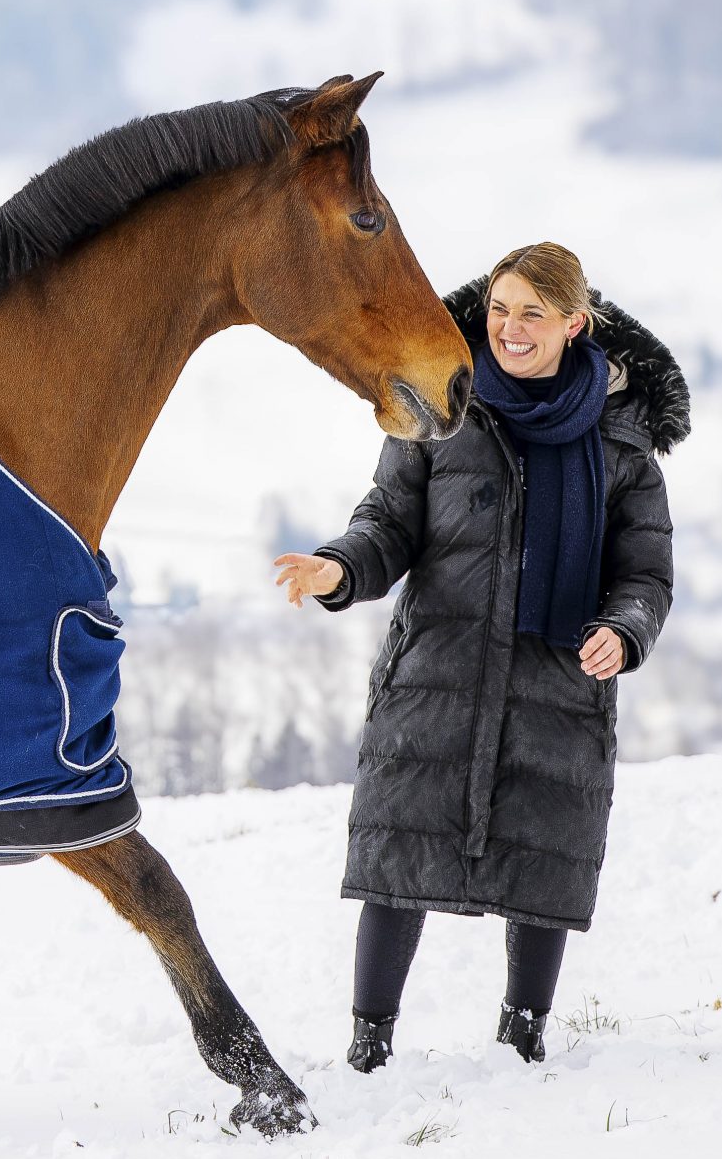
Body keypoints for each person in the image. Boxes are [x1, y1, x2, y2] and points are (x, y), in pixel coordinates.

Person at [272, 243, 686, 1068]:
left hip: (558, 680)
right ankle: (369, 1043)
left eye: (532, 312)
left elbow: (645, 573)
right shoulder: (441, 406)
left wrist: (624, 629)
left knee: (544, 860)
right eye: (499, 309)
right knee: (399, 855)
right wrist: (340, 567)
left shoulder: (623, 447)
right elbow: (387, 522)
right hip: (437, 673)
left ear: (575, 323)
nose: (509, 328)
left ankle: (523, 1035)